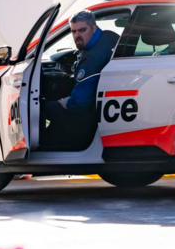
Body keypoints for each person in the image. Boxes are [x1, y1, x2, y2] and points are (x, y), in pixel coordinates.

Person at [40, 10, 118, 150]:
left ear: (94, 28)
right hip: (103, 106)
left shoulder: (93, 58)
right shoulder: (108, 36)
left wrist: (66, 102)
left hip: (90, 115)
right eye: (74, 31)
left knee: (46, 107)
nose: (77, 36)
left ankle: (45, 147)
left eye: (82, 30)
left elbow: (79, 102)